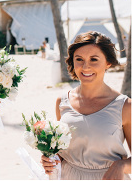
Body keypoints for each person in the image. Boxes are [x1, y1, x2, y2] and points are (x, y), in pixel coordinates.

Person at [41, 31, 131, 180]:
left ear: (108, 62)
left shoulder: (125, 106)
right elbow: (62, 152)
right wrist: (50, 160)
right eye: (79, 59)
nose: (85, 66)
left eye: (94, 59)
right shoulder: (62, 102)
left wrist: (120, 165)